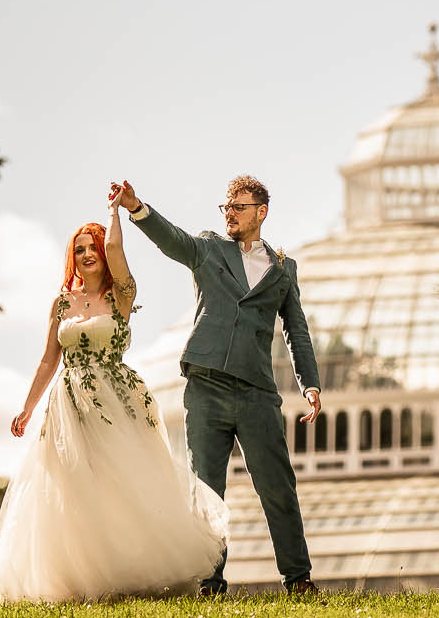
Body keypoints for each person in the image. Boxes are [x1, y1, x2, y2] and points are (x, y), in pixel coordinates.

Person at [0, 196, 228, 600]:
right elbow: (49, 359)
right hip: (67, 405)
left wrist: (115, 213)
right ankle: (81, 579)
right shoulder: (61, 303)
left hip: (116, 399)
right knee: (73, 487)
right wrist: (27, 408)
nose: (86, 254)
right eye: (78, 249)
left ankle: (131, 572)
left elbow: (117, 248)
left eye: (92, 247)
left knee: (120, 482)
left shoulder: (121, 295)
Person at [111, 175, 321, 596]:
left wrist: (309, 384)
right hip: (206, 385)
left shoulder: (284, 268)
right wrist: (137, 209)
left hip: (257, 390)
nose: (229, 214)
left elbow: (296, 330)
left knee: (278, 486)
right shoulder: (209, 249)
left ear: (261, 212)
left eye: (238, 207)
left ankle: (298, 580)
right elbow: (172, 240)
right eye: (225, 206)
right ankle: (209, 580)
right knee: (206, 486)